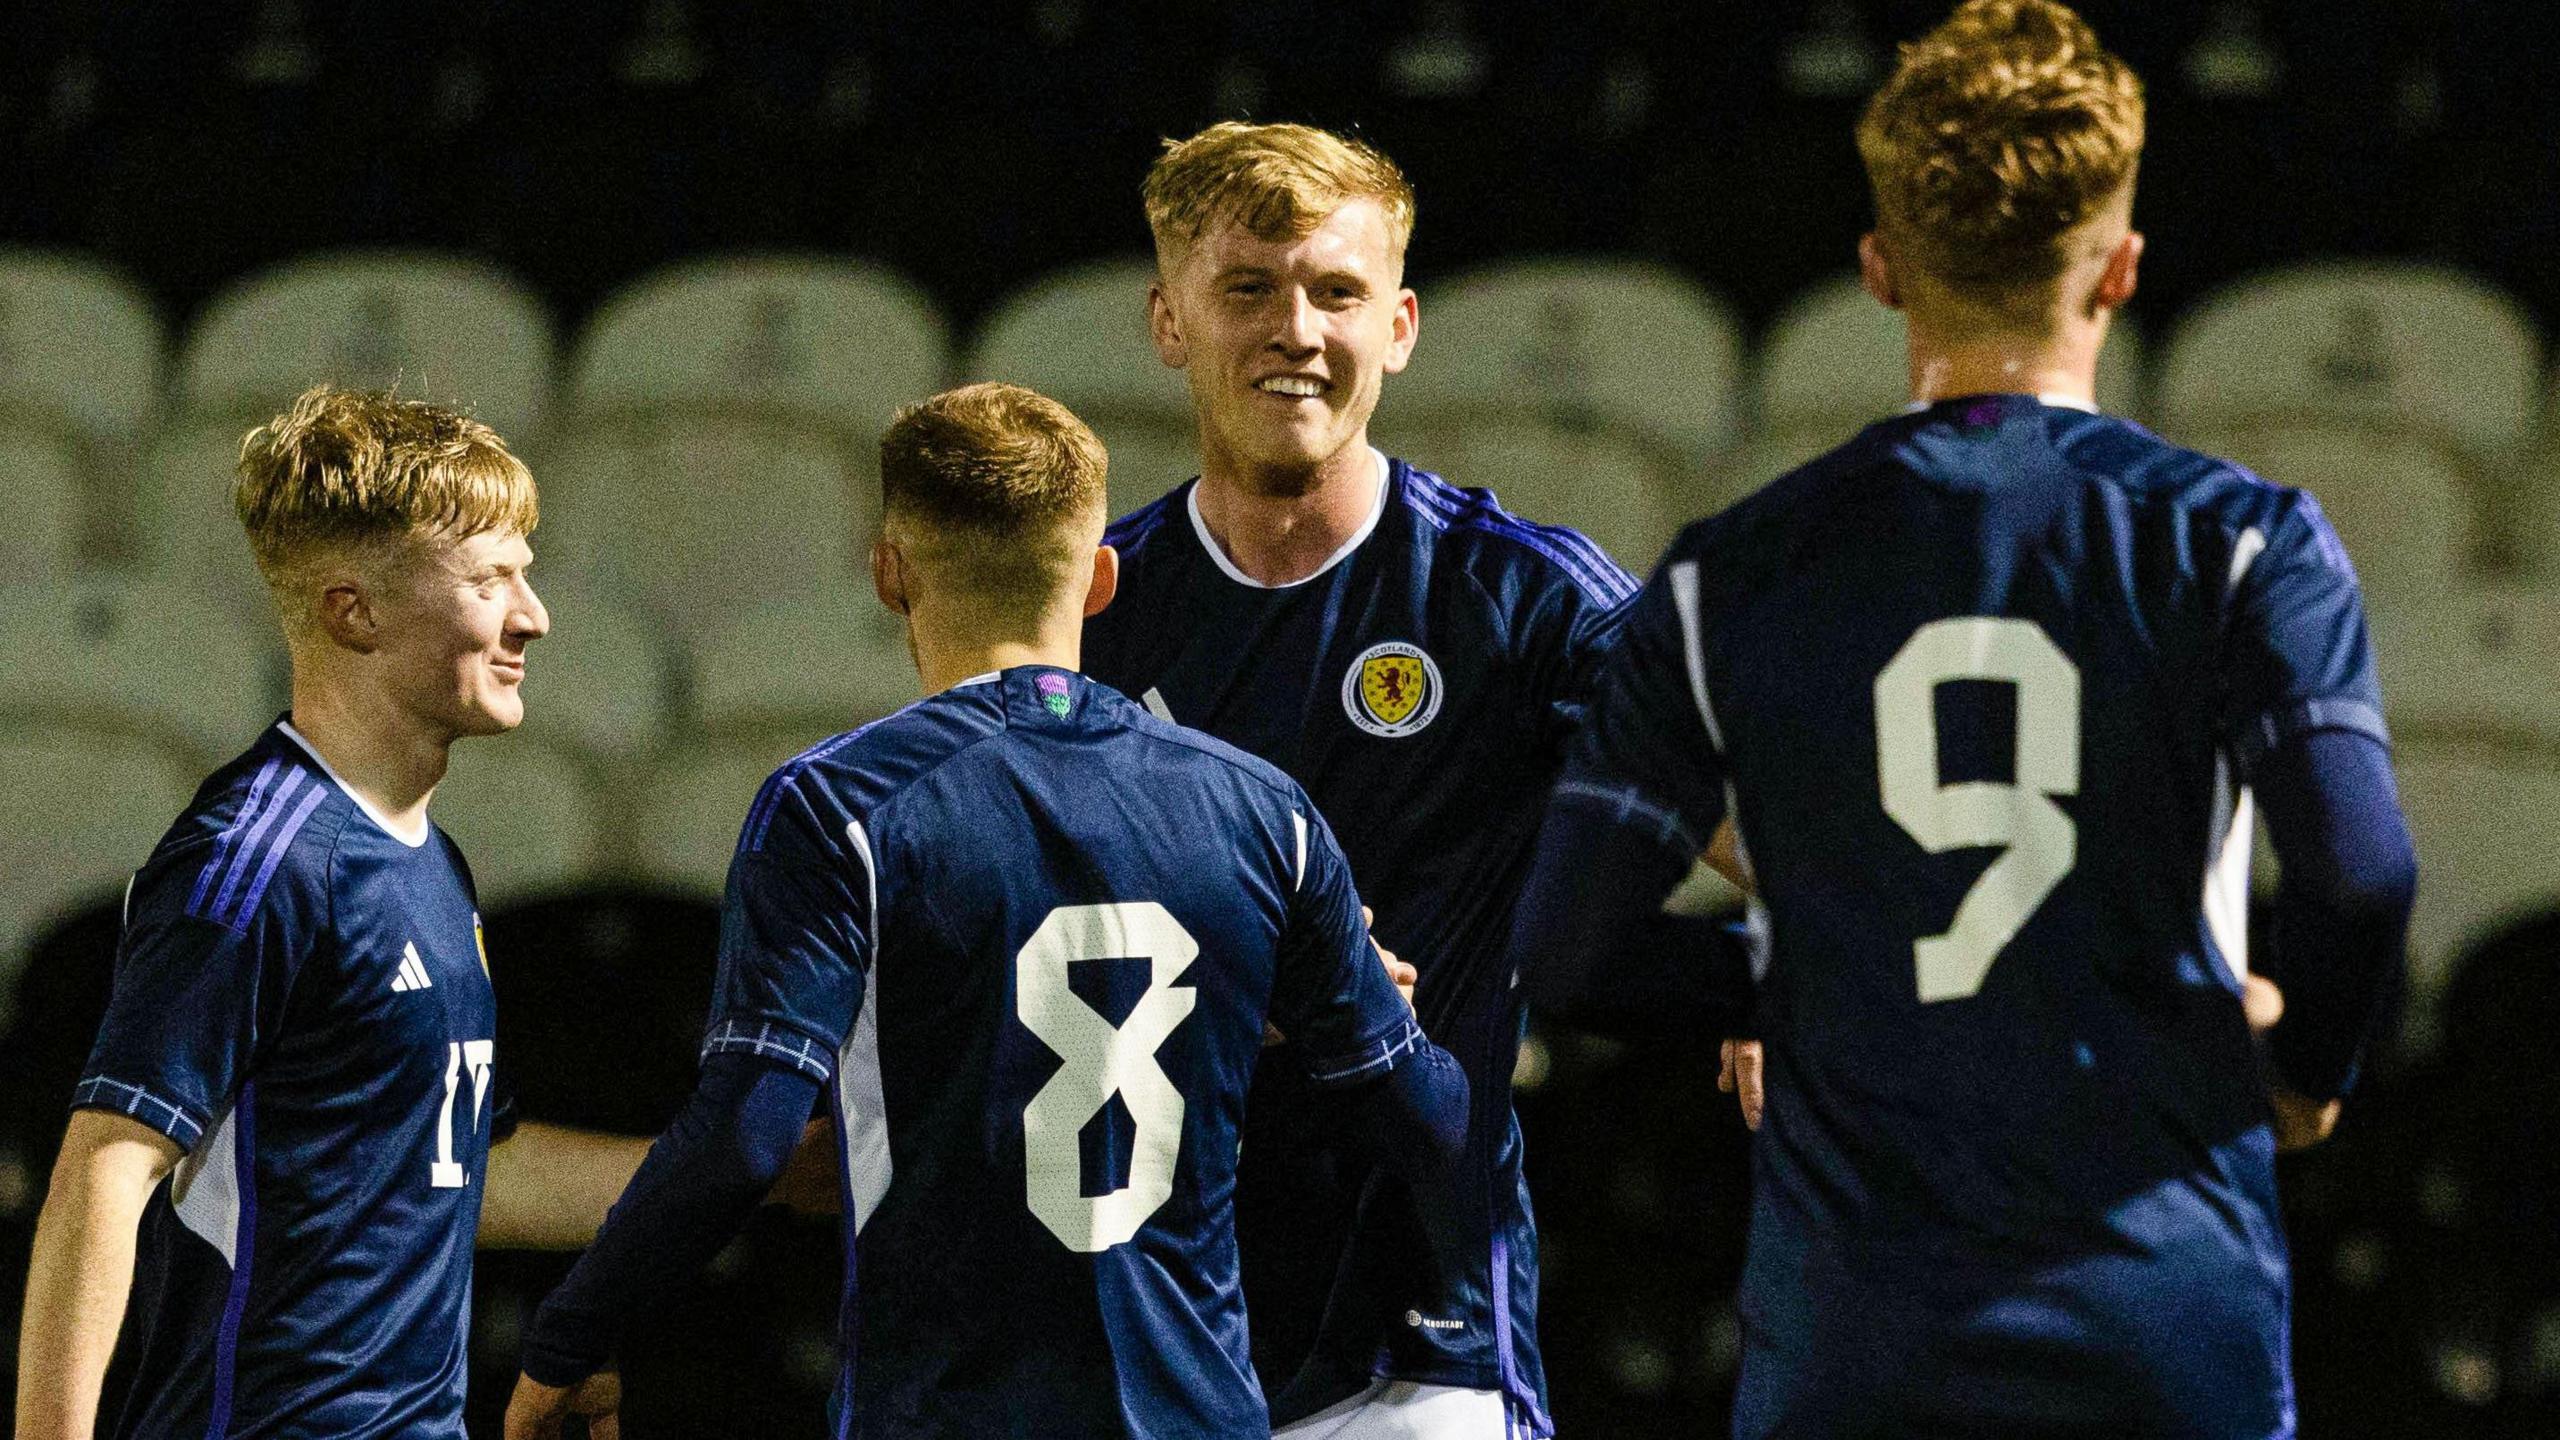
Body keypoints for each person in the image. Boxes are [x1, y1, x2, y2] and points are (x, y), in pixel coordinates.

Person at [1508, 4, 2417, 1436]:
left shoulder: (1731, 574)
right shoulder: (2249, 543)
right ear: (2119, 270)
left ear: (1878, 270)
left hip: (1861, 1332)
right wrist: (2305, 1076)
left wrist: (1792, 981)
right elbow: (2362, 877)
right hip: (2163, 1313)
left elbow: (1566, 949)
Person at [502, 382, 1468, 1440]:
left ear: (888, 571)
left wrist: (570, 1338)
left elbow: (745, 1135)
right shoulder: (1258, 808)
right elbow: (1422, 1113)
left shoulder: (836, 808)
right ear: (1101, 581)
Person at [1082, 120, 1732, 1440]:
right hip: (1142, 1318)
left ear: (1404, 323)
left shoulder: (1520, 594)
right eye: (1248, 289)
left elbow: (1756, 821)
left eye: (1337, 292)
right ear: (1167, 319)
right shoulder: (1091, 608)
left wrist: (1791, 970)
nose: (1296, 332)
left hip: (1419, 1340)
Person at [15, 386, 648, 1440]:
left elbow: (465, 1169)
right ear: (354, 612)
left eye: (524, 576)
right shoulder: (258, 859)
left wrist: (750, 1172)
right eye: (492, 580)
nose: (533, 617)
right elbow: (106, 1165)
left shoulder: (428, 862)